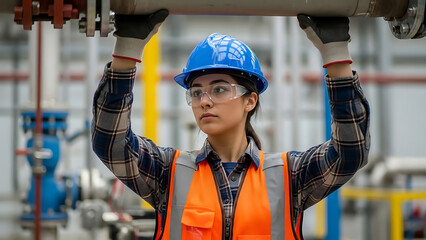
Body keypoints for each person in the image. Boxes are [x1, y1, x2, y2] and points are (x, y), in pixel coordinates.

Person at [92, 9, 370, 240]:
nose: (205, 101)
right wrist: (126, 52)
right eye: (197, 92)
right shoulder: (168, 173)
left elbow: (349, 153)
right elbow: (113, 145)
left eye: (220, 89)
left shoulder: (290, 177)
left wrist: (336, 55)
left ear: (250, 101)